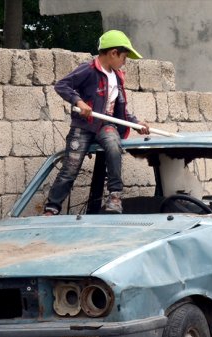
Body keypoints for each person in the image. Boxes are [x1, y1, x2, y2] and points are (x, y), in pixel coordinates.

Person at [44, 30, 150, 215]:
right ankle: (52, 207)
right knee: (70, 168)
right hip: (83, 127)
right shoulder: (88, 70)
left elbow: (119, 110)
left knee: (114, 146)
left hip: (105, 126)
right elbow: (62, 85)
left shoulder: (117, 77)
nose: (125, 62)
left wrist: (135, 123)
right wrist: (78, 101)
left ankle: (115, 197)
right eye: (124, 57)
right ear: (113, 53)